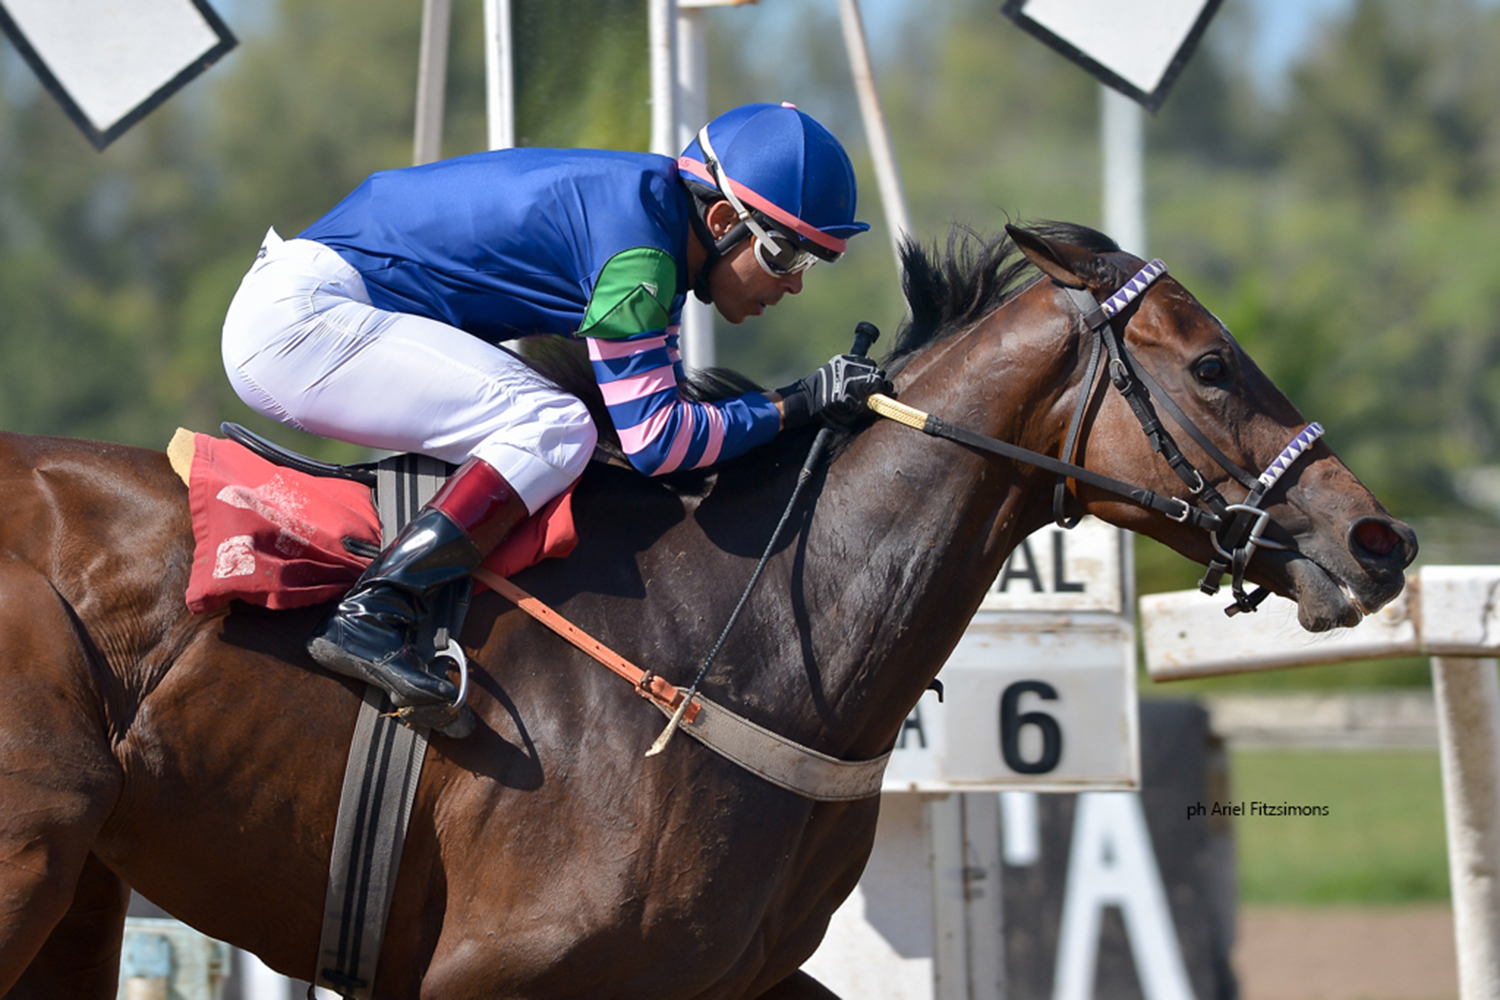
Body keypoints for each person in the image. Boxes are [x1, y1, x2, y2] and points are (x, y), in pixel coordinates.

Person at [220, 102, 888, 710]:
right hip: (304, 323)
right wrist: (798, 403)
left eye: (810, 264)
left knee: (560, 425)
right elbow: (658, 442)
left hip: (320, 304)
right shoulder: (639, 252)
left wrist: (792, 408)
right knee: (555, 426)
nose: (794, 285)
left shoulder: (652, 225)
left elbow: (656, 420)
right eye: (784, 254)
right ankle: (374, 612)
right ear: (720, 221)